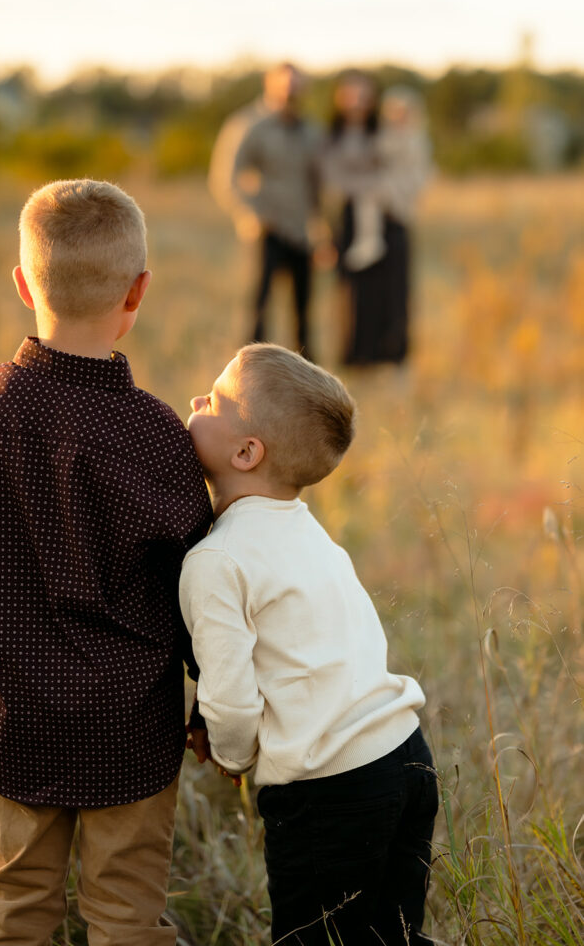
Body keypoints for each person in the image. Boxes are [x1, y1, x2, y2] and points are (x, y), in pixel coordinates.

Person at [0, 179, 212, 946]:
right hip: (132, 727)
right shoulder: (156, 435)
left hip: (15, 716)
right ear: (138, 290)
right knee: (125, 915)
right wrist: (209, 702)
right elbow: (197, 594)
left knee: (14, 903)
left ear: (22, 283)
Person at [179, 343, 438, 946]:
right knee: (390, 937)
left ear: (247, 452)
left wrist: (233, 756)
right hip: (405, 756)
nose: (196, 401)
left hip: (331, 790)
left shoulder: (215, 560)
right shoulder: (308, 531)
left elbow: (233, 700)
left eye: (214, 400)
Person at [212, 62, 322, 358]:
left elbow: (318, 182)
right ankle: (246, 379)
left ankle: (309, 387)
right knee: (256, 312)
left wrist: (321, 227)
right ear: (269, 85)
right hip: (264, 230)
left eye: (295, 86)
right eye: (284, 86)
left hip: (300, 231)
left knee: (303, 314)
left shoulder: (310, 130)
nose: (290, 92)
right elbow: (225, 177)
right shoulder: (248, 124)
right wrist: (250, 215)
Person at [322, 72, 431, 366]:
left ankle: (394, 354)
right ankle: (358, 357)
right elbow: (330, 182)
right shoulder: (331, 136)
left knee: (393, 293)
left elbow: (414, 171)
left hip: (392, 218)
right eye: (351, 94)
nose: (357, 102)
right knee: (355, 294)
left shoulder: (385, 132)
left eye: (364, 96)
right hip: (352, 220)